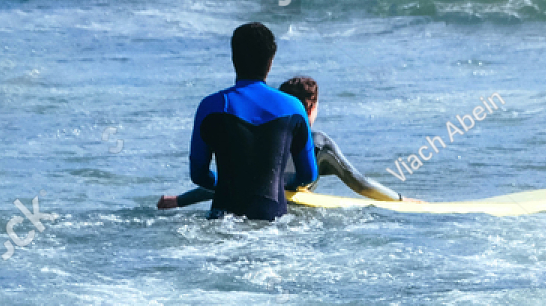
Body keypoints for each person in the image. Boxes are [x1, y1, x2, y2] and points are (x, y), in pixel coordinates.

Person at [159, 72, 416, 211]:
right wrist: (401, 200)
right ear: (311, 107)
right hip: (289, 218)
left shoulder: (265, 138)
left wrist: (180, 200)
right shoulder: (319, 144)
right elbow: (360, 184)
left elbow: (235, 181)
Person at [173, 22, 318, 221]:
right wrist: (285, 184)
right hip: (273, 220)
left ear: (233, 59)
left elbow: (199, 175)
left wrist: (224, 182)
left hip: (222, 218)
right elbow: (308, 174)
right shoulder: (294, 108)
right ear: (271, 61)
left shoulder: (210, 106)